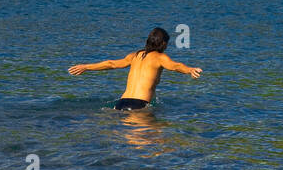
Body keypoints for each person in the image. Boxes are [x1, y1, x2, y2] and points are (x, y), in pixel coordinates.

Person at [68, 27, 201, 110]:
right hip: (139, 105)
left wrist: (86, 67)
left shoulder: (135, 55)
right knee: (151, 139)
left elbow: (111, 63)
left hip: (120, 103)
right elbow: (176, 66)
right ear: (164, 43)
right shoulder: (160, 57)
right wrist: (189, 69)